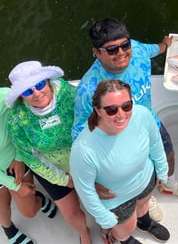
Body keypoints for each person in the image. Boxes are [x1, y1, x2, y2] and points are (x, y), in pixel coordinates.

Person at [71, 18, 178, 220]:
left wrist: (165, 44)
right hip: (118, 139)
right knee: (137, 173)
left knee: (168, 155)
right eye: (111, 50)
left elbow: (154, 49)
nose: (121, 53)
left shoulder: (137, 49)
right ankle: (147, 198)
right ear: (96, 53)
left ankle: (169, 184)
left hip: (150, 124)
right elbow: (78, 133)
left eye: (124, 45)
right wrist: (91, 180)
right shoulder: (88, 91)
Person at [70, 79, 170, 244]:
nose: (121, 115)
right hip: (118, 199)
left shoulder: (142, 114)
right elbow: (85, 190)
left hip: (146, 180)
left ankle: (145, 222)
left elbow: (155, 143)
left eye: (126, 106)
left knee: (144, 206)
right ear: (98, 110)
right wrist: (104, 218)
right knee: (125, 229)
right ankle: (125, 240)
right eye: (111, 109)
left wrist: (162, 169)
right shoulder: (83, 149)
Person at [6, 61, 92, 244]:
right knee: (71, 213)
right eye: (28, 91)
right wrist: (64, 179)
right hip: (52, 170)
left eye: (39, 85)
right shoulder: (16, 120)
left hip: (86, 160)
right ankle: (84, 235)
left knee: (100, 198)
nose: (36, 93)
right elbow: (31, 157)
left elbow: (92, 126)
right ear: (21, 96)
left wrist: (85, 167)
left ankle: (106, 225)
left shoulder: (70, 94)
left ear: (47, 80)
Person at [1, 87, 58, 244]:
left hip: (14, 163)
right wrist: (14, 186)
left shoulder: (5, 98)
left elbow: (23, 123)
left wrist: (19, 157)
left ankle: (38, 199)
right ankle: (8, 228)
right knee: (2, 206)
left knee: (30, 212)